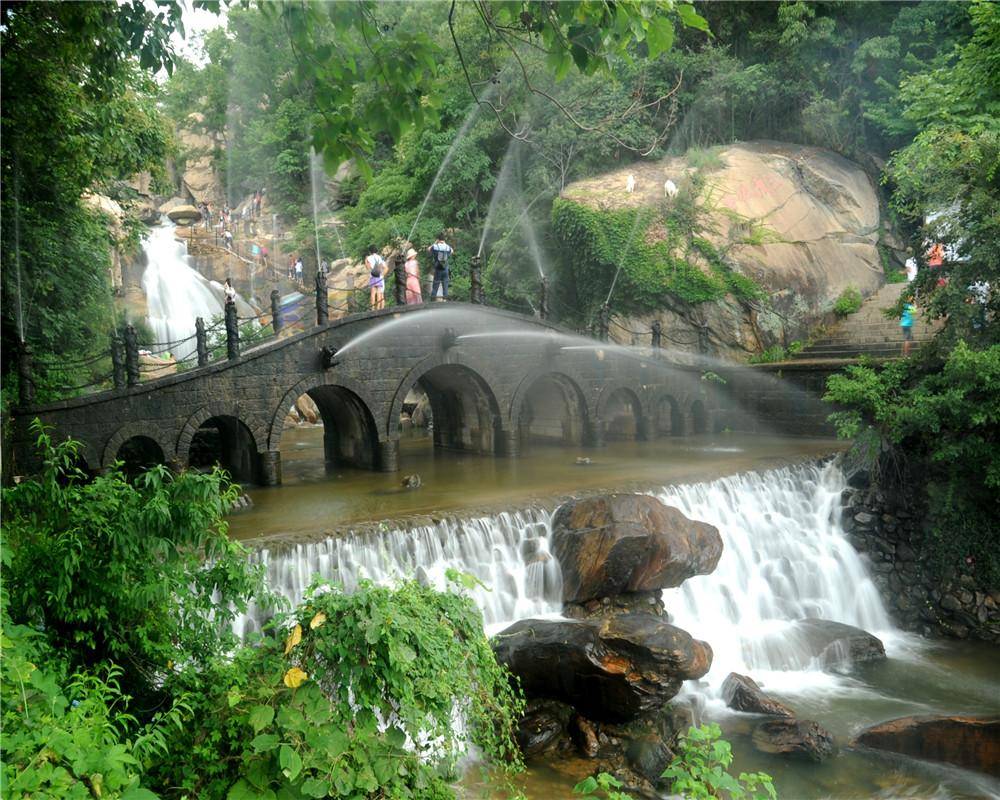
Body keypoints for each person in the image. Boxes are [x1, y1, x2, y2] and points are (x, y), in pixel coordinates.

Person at [427, 232, 453, 300]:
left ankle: (432, 299)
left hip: (438, 268)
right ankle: (445, 299)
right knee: (445, 285)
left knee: (435, 285)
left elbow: (428, 249)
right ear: (444, 239)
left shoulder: (435, 246)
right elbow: (452, 251)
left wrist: (435, 242)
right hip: (445, 268)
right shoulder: (447, 247)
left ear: (438, 239)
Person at [366, 245, 387, 310]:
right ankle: (378, 308)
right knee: (379, 293)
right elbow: (383, 267)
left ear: (370, 251)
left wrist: (365, 261)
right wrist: (382, 274)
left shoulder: (368, 258)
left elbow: (368, 268)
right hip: (379, 277)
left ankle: (372, 308)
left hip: (373, 276)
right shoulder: (379, 257)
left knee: (373, 293)